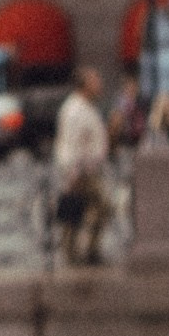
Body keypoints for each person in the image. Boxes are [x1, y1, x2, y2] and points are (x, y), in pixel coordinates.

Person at [54, 66, 111, 265]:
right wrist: (74, 173)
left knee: (84, 210)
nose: (99, 84)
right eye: (95, 81)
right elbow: (72, 144)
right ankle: (80, 253)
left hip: (87, 170)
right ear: (84, 85)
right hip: (81, 172)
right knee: (87, 209)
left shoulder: (85, 106)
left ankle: (81, 252)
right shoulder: (75, 110)